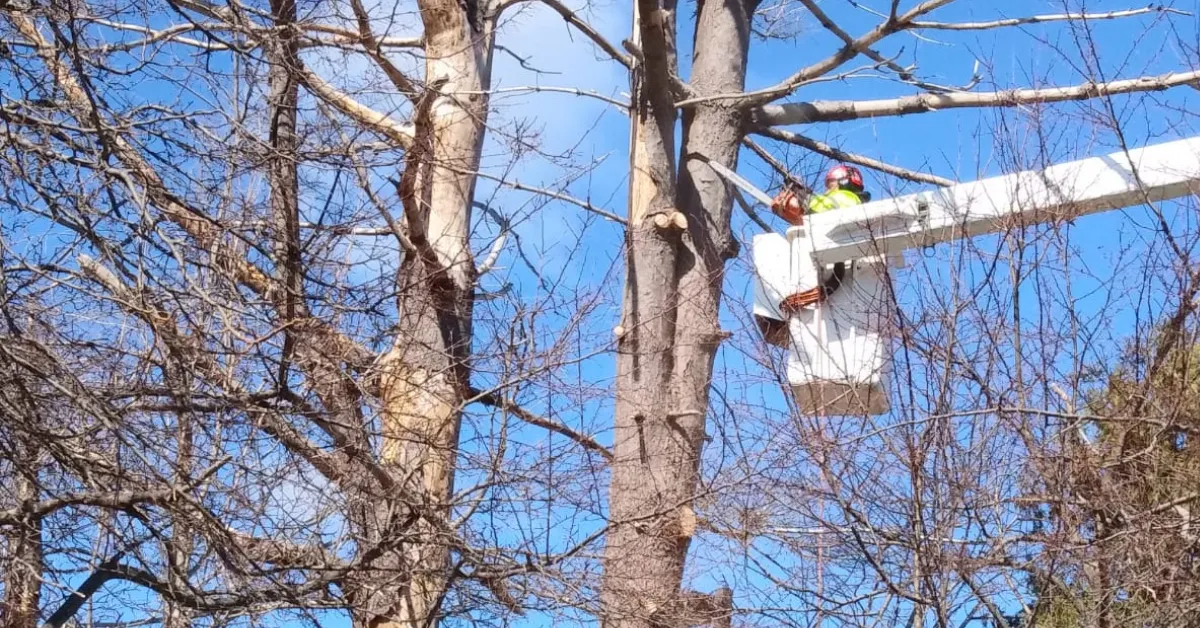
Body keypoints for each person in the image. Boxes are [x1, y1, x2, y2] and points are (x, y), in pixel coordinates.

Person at [770, 164, 870, 313]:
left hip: (837, 244)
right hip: (834, 246)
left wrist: (801, 195)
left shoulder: (848, 198)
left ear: (843, 182)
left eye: (832, 185)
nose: (828, 189)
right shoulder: (846, 201)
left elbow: (823, 207)